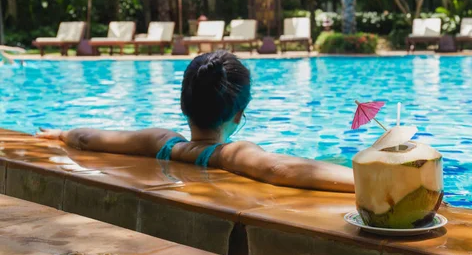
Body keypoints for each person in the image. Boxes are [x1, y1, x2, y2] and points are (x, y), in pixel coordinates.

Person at [37, 50, 354, 193]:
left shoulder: (162, 142)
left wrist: (63, 133)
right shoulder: (230, 153)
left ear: (182, 104)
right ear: (239, 114)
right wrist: (366, 179)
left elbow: (90, 139)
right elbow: (278, 168)